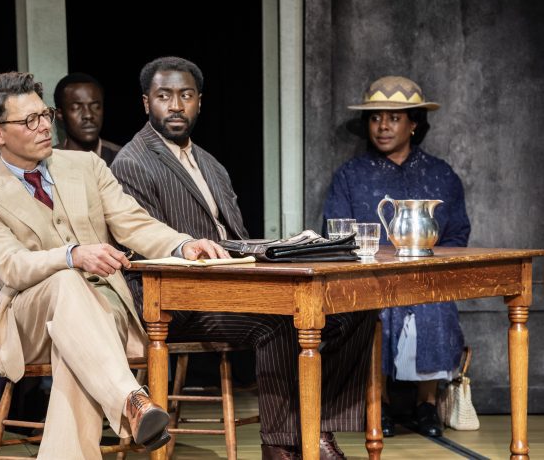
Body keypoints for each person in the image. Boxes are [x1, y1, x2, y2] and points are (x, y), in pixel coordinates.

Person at [110, 56, 377, 460]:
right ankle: (280, 448)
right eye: (164, 96)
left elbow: (233, 238)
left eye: (186, 96)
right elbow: (148, 246)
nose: (176, 106)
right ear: (147, 103)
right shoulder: (133, 163)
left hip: (228, 284)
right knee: (279, 321)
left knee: (354, 311)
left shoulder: (211, 165)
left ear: (200, 101)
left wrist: (281, 249)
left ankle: (316, 428)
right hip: (176, 298)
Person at [0, 71, 229, 459]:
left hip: (106, 312)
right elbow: (11, 267)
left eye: (45, 114)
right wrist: (72, 255)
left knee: (75, 350)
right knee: (66, 282)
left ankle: (126, 408)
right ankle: (131, 399)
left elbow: (133, 222)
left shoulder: (86, 166)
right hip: (30, 320)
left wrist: (182, 244)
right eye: (29, 120)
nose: (44, 126)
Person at [323, 75, 470, 438]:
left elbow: (458, 234)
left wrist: (430, 264)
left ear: (413, 123)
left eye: (394, 118)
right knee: (375, 311)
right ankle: (379, 403)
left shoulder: (440, 174)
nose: (383, 126)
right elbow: (334, 231)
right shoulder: (351, 175)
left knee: (435, 306)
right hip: (369, 278)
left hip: (426, 277)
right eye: (375, 118)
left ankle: (427, 404)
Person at [53, 72, 121, 165]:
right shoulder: (47, 162)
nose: (88, 115)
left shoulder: (122, 159)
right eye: (76, 108)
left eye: (95, 107)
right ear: (60, 114)